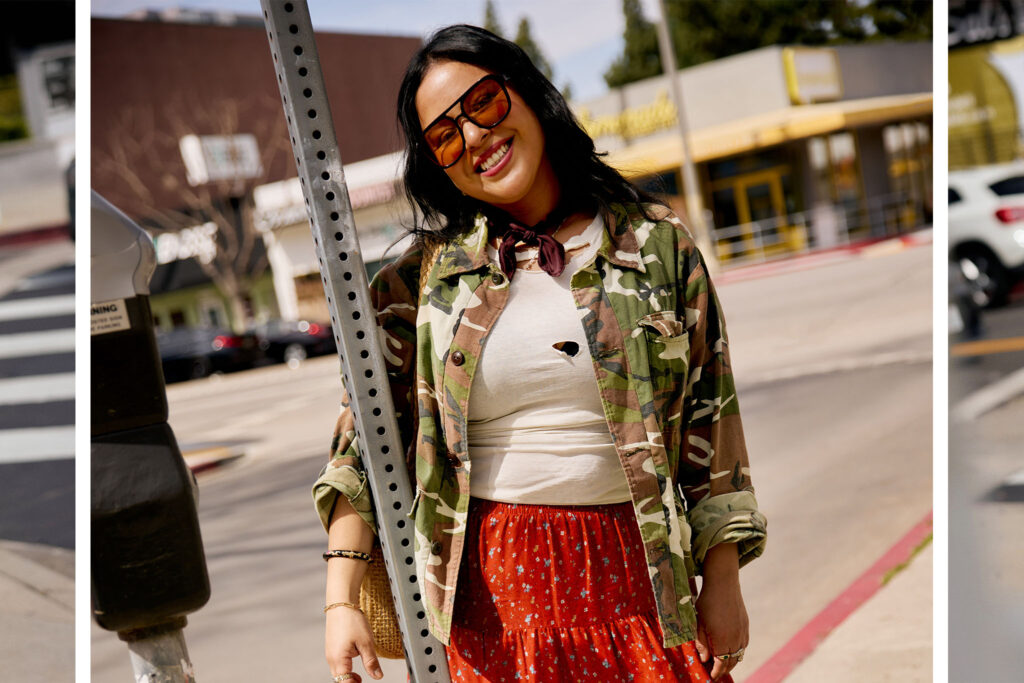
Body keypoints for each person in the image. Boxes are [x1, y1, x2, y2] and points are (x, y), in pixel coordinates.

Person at [313, 24, 767, 683]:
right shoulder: (417, 286)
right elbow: (361, 449)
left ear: (527, 95)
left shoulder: (655, 246)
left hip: (641, 585)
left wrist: (722, 577)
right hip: (489, 608)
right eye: (445, 136)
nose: (474, 138)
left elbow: (711, 414)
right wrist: (340, 599)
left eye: (485, 104)